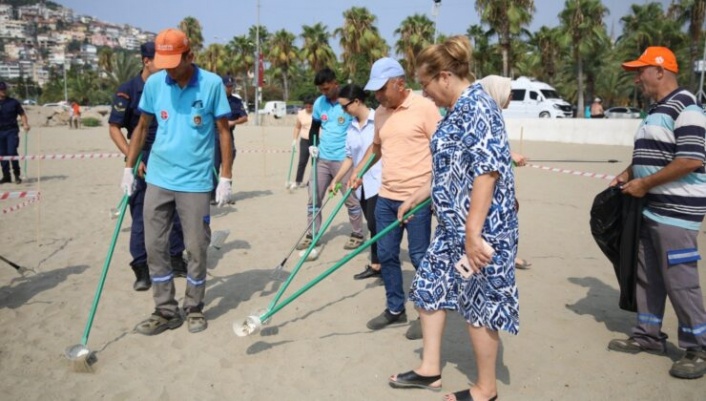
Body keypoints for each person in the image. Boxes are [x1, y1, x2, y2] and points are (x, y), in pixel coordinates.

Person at [387, 36, 518, 401]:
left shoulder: (478, 106)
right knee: (427, 288)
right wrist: (420, 194)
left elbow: (487, 171)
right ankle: (430, 370)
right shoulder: (455, 110)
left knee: (480, 305)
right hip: (450, 229)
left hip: (482, 231)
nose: (424, 93)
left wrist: (474, 234)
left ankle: (485, 389)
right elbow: (451, 169)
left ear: (444, 76)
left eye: (426, 84)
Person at [120, 28, 233, 335]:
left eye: (174, 61)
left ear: (190, 56)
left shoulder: (211, 84)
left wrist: (225, 176)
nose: (168, 67)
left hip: (195, 182)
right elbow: (142, 127)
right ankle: (164, 309)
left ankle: (194, 307)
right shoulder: (155, 83)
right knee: (154, 246)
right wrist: (129, 168)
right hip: (158, 178)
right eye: (163, 60)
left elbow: (224, 131)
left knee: (196, 248)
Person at [608, 46, 706, 380]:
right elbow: (655, 153)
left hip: (676, 212)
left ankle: (699, 346)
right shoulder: (657, 109)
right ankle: (648, 336)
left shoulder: (687, 108)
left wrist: (645, 182)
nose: (637, 78)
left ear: (660, 71)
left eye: (641, 71)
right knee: (646, 273)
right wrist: (628, 173)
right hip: (651, 207)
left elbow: (690, 160)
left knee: (680, 280)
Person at [349, 57, 441, 339]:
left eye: (381, 89)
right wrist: (359, 171)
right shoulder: (380, 113)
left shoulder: (425, 108)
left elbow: (442, 152)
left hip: (417, 198)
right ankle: (395, 308)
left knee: (418, 256)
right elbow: (376, 148)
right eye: (374, 91)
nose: (377, 96)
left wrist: (426, 191)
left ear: (399, 83)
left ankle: (426, 314)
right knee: (387, 254)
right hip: (386, 197)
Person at [108, 41, 187, 291]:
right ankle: (141, 267)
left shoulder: (169, 85)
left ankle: (175, 258)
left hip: (170, 157)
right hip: (142, 157)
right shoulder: (128, 90)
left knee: (176, 212)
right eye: (160, 61)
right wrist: (132, 160)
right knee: (142, 215)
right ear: (146, 61)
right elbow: (114, 128)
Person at [295, 67, 364, 251]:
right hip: (322, 158)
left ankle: (357, 233)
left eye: (326, 88)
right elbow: (314, 127)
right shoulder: (319, 103)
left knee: (350, 198)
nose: (324, 92)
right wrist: (312, 145)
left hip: (344, 159)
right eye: (321, 90)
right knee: (314, 198)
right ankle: (313, 234)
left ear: (335, 83)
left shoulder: (346, 102)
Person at [327, 84, 382, 279]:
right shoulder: (350, 127)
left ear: (357, 101)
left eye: (345, 106)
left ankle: (381, 264)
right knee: (372, 224)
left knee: (377, 225)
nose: (343, 111)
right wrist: (336, 180)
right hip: (361, 185)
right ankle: (378, 264)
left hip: (379, 181)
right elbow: (349, 157)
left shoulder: (379, 120)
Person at [479, 75, 532, 270]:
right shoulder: (485, 115)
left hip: (501, 192)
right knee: (485, 237)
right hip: (489, 193)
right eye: (510, 93)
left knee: (503, 233)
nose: (511, 97)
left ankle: (508, 259)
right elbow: (484, 149)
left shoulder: (495, 113)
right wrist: (510, 155)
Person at [211, 75, 248, 204]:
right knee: (214, 164)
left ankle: (227, 194)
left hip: (229, 134)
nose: (229, 88)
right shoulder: (214, 99)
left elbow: (244, 118)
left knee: (228, 163)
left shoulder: (236, 102)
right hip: (215, 134)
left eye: (231, 86)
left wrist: (234, 122)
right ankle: (212, 195)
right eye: (227, 86)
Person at [0, 81, 29, 184]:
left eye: (4, 89)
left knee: (12, 152)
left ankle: (17, 174)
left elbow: (22, 114)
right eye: (1, 89)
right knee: (2, 155)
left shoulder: (13, 102)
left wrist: (25, 124)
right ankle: (6, 176)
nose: (3, 91)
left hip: (11, 131)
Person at [289, 96, 314, 190]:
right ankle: (298, 181)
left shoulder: (317, 113)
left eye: (310, 106)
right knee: (302, 161)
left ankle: (312, 181)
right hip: (304, 140)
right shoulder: (301, 114)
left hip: (315, 140)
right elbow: (297, 127)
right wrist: (294, 139)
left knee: (315, 162)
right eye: (306, 106)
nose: (308, 108)